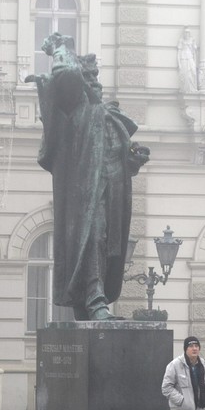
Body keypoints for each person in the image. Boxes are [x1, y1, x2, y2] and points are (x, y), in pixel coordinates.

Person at [26, 32, 150, 320]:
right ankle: (95, 300)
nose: (95, 81)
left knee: (107, 247)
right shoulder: (77, 109)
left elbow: (115, 155)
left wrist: (133, 160)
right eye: (89, 76)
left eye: (96, 76)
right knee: (92, 237)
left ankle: (89, 305)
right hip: (86, 194)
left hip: (112, 193)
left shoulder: (111, 116)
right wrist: (61, 46)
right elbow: (66, 73)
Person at [177, 26, 198, 93]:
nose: (187, 34)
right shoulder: (181, 40)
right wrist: (179, 63)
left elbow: (194, 52)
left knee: (192, 73)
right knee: (185, 74)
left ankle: (192, 89)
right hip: (183, 58)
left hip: (190, 58)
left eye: (188, 32)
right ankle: (185, 89)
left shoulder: (192, 40)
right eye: (185, 32)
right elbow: (179, 52)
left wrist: (195, 62)